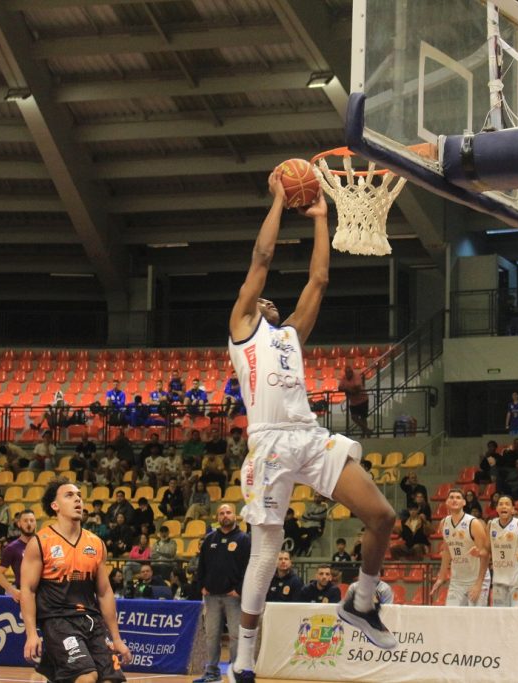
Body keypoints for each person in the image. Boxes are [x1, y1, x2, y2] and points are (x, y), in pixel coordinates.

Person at [225, 168, 399, 682]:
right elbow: (262, 258)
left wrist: (322, 216)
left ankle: (361, 603)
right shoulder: (240, 329)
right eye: (258, 297)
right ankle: (244, 658)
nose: (264, 298)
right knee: (265, 553)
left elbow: (319, 280)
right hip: (269, 446)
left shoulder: (290, 337)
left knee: (383, 515)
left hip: (310, 437)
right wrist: (280, 199)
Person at [20, 479, 132, 682]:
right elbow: (27, 590)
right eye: (69, 495)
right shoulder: (40, 542)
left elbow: (105, 593)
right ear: (55, 506)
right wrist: (31, 634)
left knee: (112, 680)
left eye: (79, 495)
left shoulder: (96, 544)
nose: (78, 499)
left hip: (91, 621)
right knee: (86, 677)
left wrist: (116, 639)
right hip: (58, 620)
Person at [194, 504, 250, 683]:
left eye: (228, 512)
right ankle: (211, 672)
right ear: (217, 518)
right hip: (211, 596)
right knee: (211, 635)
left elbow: (249, 568)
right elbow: (200, 565)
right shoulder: (210, 539)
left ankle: (235, 671)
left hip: (233, 596)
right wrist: (202, 586)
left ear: (235, 516)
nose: (225, 516)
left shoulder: (244, 539)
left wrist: (239, 589)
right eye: (221, 513)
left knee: (235, 635)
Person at [430, 488, 490, 606]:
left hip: (476, 579)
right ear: (446, 502)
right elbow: (447, 551)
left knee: (475, 620)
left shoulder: (473, 523)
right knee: (453, 618)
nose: (454, 500)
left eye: (458, 497)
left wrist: (479, 584)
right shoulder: (443, 523)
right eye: (451, 497)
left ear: (464, 502)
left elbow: (486, 554)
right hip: (457, 581)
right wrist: (441, 577)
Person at [488, 495, 518, 606]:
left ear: (513, 509)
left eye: (507, 504)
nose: (504, 506)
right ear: (497, 508)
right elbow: (487, 548)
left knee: (516, 616)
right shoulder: (491, 525)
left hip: (517, 580)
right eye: (500, 504)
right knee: (499, 617)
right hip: (499, 579)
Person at [0, 509, 36, 601]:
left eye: (32, 520)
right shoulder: (12, 548)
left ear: (35, 523)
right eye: (25, 521)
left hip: (44, 593)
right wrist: (11, 590)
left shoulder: (43, 544)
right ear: (19, 524)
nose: (29, 524)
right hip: (23, 593)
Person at [338, 365, 372, 438]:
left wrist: (348, 389)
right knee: (354, 417)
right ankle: (367, 430)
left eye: (349, 372)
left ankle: (364, 434)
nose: (348, 374)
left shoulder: (356, 376)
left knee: (363, 418)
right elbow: (340, 388)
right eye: (347, 373)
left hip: (363, 399)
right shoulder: (344, 377)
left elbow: (357, 389)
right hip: (353, 402)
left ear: (352, 372)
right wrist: (348, 389)